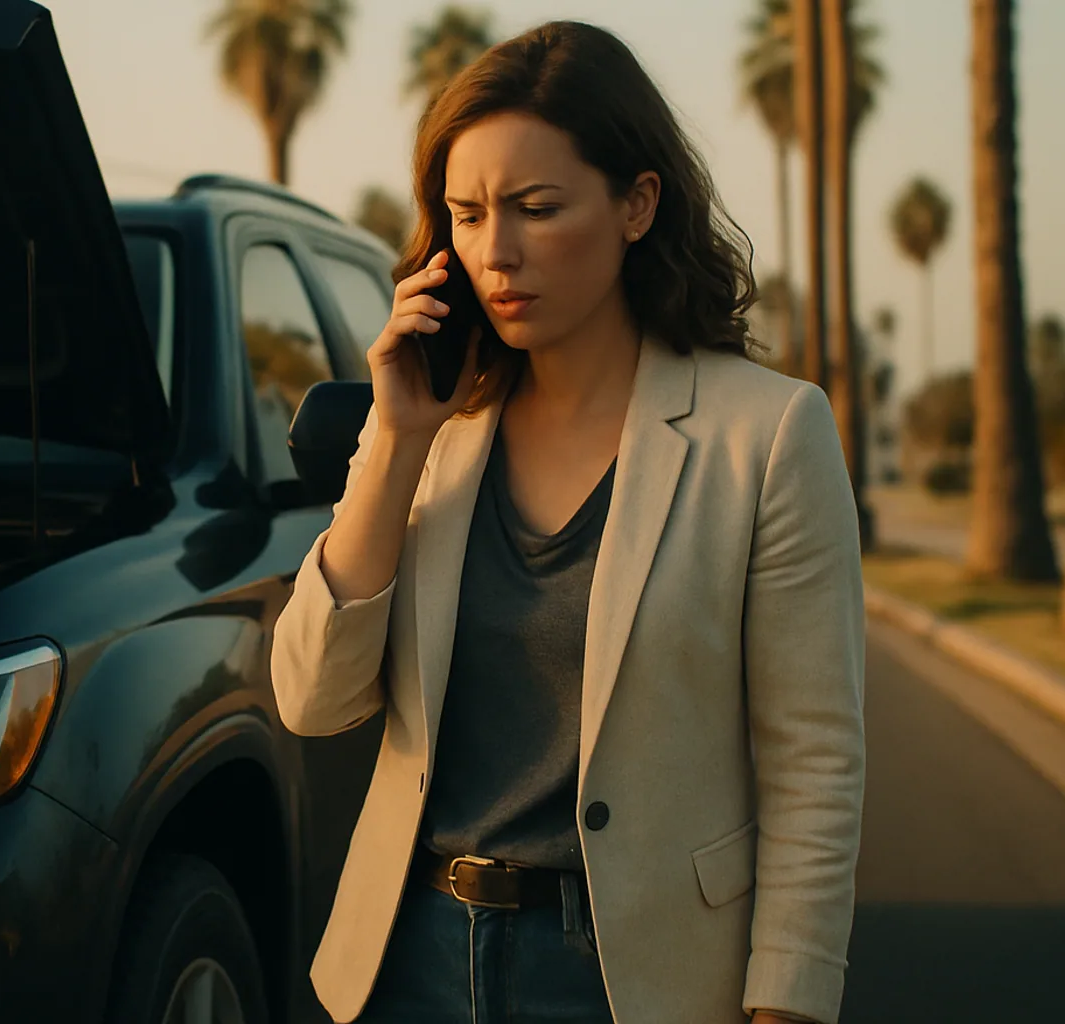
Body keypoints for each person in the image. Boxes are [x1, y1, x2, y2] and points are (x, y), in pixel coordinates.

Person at [269, 19, 865, 1024]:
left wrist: (787, 1008)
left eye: (537, 208)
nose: (494, 251)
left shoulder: (764, 434)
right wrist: (396, 440)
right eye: (464, 214)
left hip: (634, 977)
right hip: (407, 959)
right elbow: (313, 699)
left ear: (637, 203)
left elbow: (816, 761)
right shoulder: (433, 427)